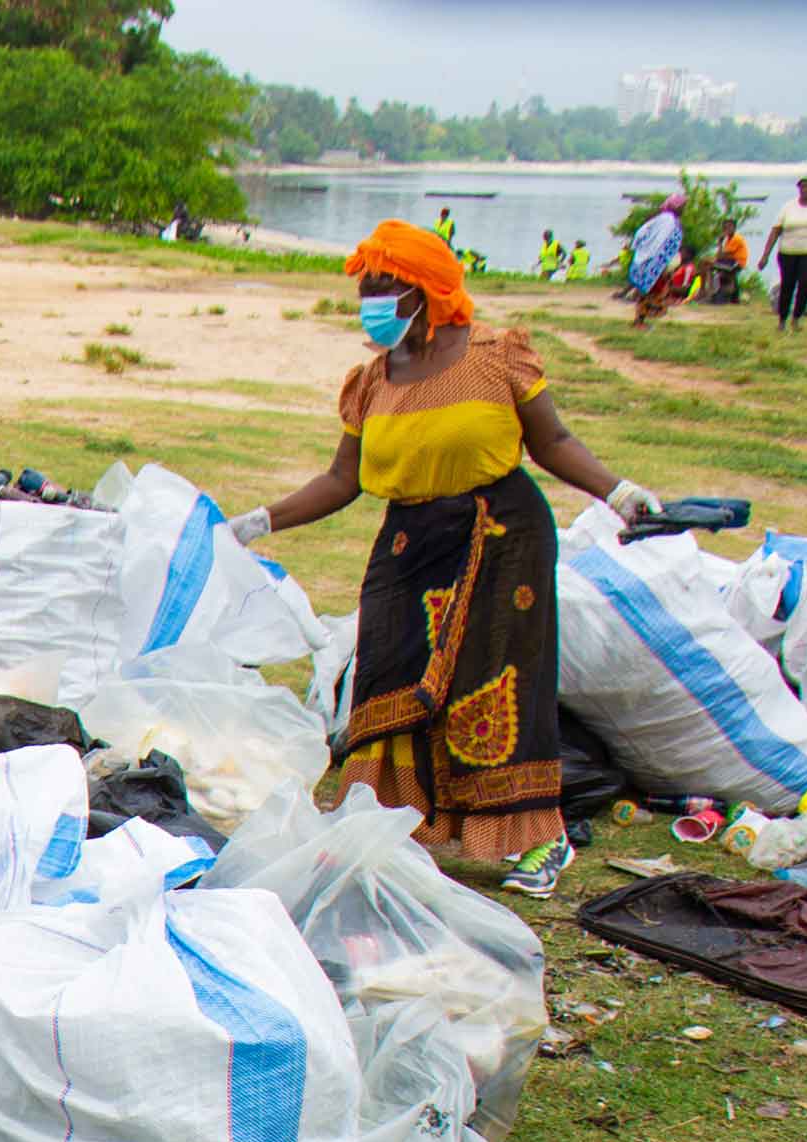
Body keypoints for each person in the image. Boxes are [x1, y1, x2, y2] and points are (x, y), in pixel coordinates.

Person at [227, 220, 660, 899]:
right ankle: (389, 826)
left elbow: (552, 441)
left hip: (499, 536)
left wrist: (619, 492)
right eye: (364, 291)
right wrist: (257, 521)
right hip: (407, 541)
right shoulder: (372, 380)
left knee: (494, 689)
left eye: (383, 289)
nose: (369, 304)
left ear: (427, 291)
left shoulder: (495, 356)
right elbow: (343, 480)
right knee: (385, 677)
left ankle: (538, 841)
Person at [757, 176, 807, 331]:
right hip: (787, 252)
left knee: (805, 284)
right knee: (787, 285)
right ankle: (782, 319)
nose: (805, 190)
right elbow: (776, 230)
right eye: (802, 187)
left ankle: (796, 318)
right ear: (798, 189)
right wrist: (765, 255)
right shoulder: (788, 207)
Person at [634, 244, 700, 326]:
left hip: (674, 297)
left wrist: (668, 288)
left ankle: (639, 322)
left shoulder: (689, 268)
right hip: (668, 294)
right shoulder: (680, 267)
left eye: (682, 252)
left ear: (688, 255)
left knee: (646, 294)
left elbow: (686, 289)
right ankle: (639, 320)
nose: (679, 254)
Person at [710, 218, 748, 304]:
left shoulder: (736, 239)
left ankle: (709, 291)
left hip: (736, 262)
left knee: (709, 266)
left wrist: (720, 242)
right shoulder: (728, 240)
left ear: (734, 228)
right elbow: (721, 256)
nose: (727, 230)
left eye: (729, 227)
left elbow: (721, 255)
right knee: (713, 268)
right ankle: (732, 298)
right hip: (729, 262)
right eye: (725, 228)